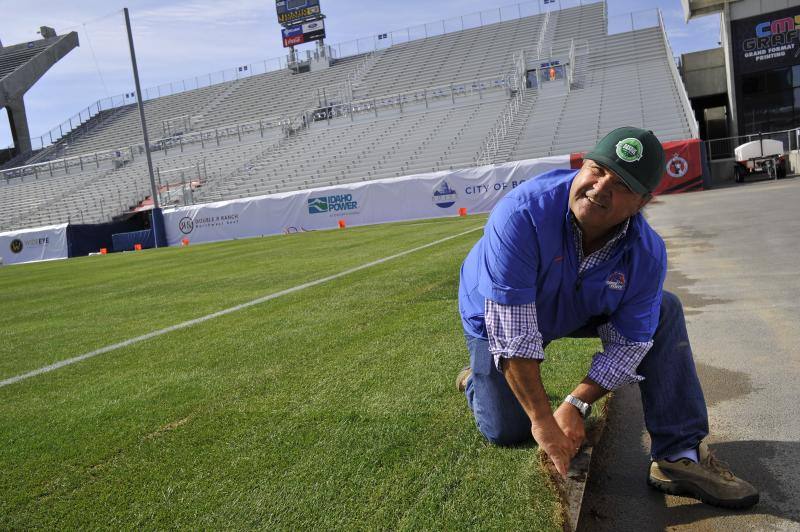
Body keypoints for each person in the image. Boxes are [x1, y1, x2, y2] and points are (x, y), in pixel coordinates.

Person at [456, 127, 759, 509]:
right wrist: (544, 422)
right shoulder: (522, 214)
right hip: (499, 312)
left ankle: (679, 453)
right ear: (583, 164)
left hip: (579, 305)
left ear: (643, 202)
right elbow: (514, 335)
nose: (600, 188)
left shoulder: (646, 254)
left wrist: (575, 404)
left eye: (621, 185)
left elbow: (632, 344)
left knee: (663, 310)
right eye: (597, 170)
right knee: (508, 429)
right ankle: (476, 381)